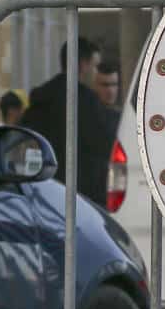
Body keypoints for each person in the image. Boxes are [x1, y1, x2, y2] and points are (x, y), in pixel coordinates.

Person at [21, 38, 117, 207]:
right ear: (83, 65)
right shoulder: (88, 103)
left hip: (45, 193)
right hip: (83, 198)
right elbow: (108, 145)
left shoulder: (41, 98)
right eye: (95, 66)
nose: (96, 73)